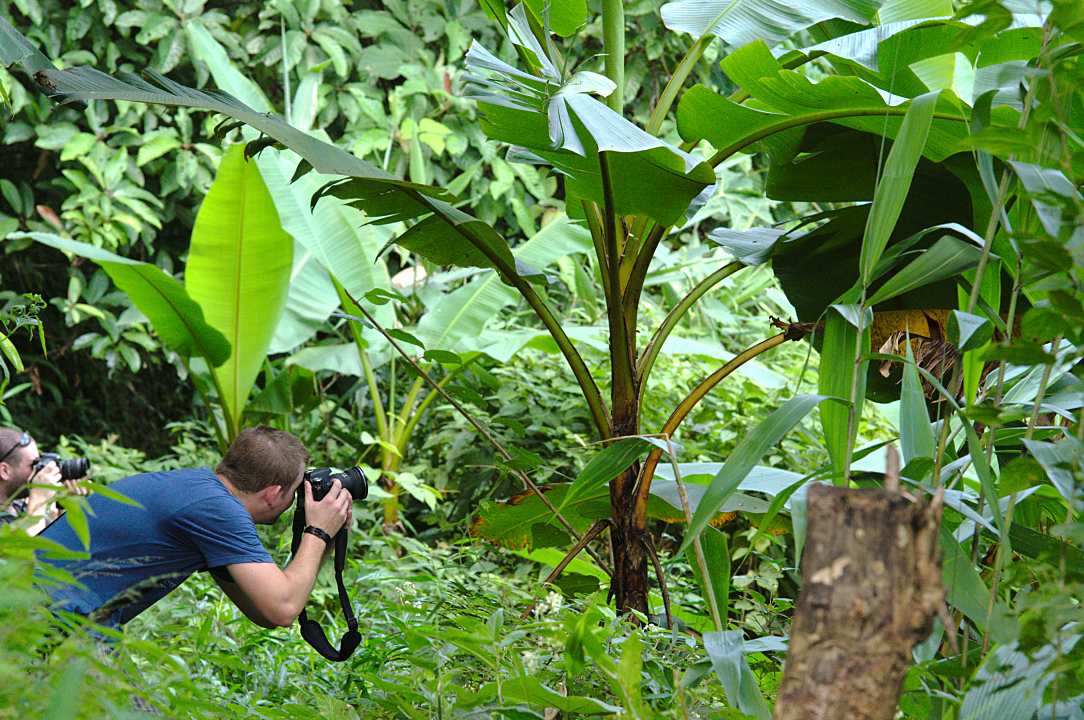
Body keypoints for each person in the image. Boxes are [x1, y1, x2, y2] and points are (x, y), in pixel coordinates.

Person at [36, 425, 353, 632]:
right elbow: (282, 608)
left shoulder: (198, 491)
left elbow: (265, 613)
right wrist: (317, 532)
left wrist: (324, 542)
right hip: (50, 616)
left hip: (43, 603)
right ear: (273, 495)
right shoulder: (217, 511)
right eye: (296, 491)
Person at [0, 427, 89, 536]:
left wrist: (65, 503)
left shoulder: (19, 506)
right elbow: (29, 545)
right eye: (34, 464)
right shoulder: (33, 505)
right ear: (4, 471)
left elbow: (61, 541)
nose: (40, 471)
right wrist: (39, 498)